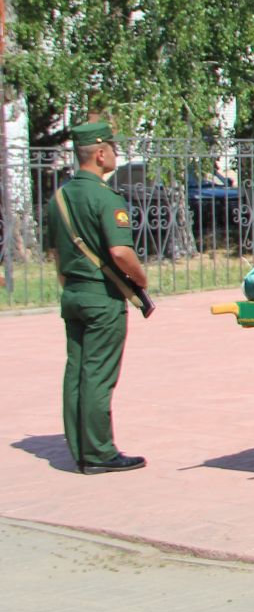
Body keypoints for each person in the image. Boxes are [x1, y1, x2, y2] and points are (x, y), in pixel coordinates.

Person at [50, 120, 150, 474]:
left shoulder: (60, 197)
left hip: (73, 293)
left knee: (76, 370)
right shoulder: (105, 197)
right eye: (113, 148)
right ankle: (99, 452)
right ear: (101, 153)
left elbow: (58, 257)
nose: (115, 155)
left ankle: (79, 446)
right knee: (98, 374)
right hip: (101, 297)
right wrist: (141, 279)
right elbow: (121, 252)